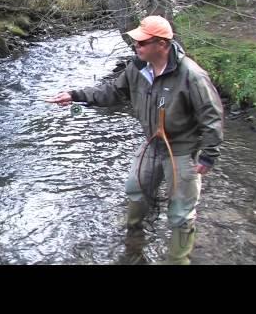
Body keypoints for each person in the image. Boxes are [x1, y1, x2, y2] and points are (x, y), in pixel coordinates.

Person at [46, 15, 224, 264]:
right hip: (151, 144)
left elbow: (212, 116)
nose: (136, 46)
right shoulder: (137, 68)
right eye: (136, 42)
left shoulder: (192, 76)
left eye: (142, 43)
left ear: (161, 44)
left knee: (182, 214)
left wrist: (208, 155)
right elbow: (112, 92)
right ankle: (134, 244)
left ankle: (178, 259)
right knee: (136, 190)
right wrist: (75, 95)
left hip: (182, 151)